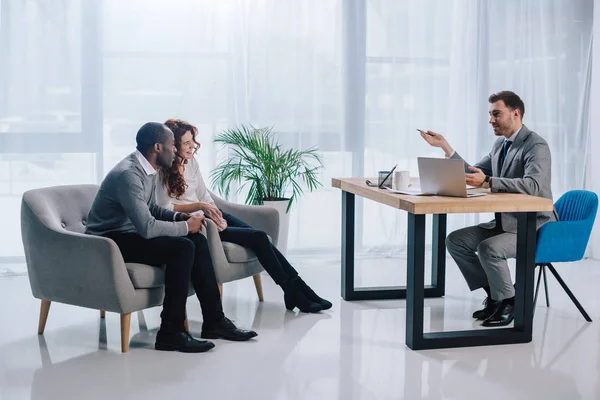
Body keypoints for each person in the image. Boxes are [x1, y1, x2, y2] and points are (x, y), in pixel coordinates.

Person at [85, 122, 257, 353]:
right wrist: (186, 227)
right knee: (183, 247)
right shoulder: (129, 175)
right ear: (158, 147)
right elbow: (146, 227)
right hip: (109, 242)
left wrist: (182, 220)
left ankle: (214, 321)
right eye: (171, 145)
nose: (176, 150)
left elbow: (153, 209)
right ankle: (170, 332)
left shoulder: (148, 168)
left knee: (196, 240)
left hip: (129, 234)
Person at [155, 118, 332, 313]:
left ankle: (298, 289)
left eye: (192, 141)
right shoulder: (162, 170)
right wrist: (201, 209)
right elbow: (165, 207)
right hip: (197, 222)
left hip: (209, 214)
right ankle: (294, 291)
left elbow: (205, 195)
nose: (192, 147)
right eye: (186, 143)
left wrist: (215, 214)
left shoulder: (192, 162)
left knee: (261, 237)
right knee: (258, 237)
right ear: (173, 146)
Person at [420, 91, 555, 327]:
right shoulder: (500, 145)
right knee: (456, 241)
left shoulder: (536, 145)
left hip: (533, 226)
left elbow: (533, 185)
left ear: (516, 113)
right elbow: (474, 174)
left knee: (488, 248)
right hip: (506, 222)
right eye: (490, 115)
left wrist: (490, 182)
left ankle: (511, 301)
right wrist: (445, 147)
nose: (491, 120)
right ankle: (497, 296)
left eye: (496, 114)